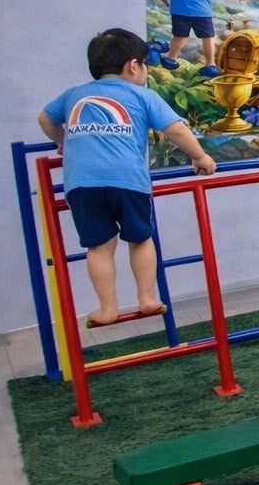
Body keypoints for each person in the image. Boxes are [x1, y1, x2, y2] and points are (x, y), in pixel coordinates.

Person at [37, 28, 217, 327]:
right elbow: (176, 130)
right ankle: (147, 298)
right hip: (128, 181)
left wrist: (63, 141)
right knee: (140, 238)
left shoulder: (74, 94)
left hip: (82, 184)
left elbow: (45, 119)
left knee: (99, 247)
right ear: (134, 66)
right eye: (145, 64)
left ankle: (107, 308)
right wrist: (200, 157)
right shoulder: (142, 95)